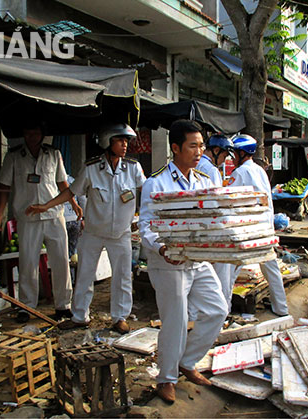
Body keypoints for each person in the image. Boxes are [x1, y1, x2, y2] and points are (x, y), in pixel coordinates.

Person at [139, 120, 227, 403]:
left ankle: (187, 362)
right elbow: (146, 226)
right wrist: (163, 249)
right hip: (168, 263)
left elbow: (213, 219)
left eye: (202, 145)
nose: (199, 151)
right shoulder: (156, 182)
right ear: (175, 148)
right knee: (175, 322)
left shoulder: (203, 181)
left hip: (198, 260)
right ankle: (166, 378)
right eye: (193, 145)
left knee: (217, 309)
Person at [27, 123, 145, 334]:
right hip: (93, 232)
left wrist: (146, 216)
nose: (125, 145)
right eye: (120, 140)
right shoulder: (91, 168)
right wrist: (46, 205)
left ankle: (120, 318)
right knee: (85, 274)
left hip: (121, 233)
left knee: (123, 276)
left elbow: (147, 191)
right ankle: (80, 316)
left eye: (126, 141)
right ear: (107, 142)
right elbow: (71, 192)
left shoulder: (133, 168)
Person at [0, 120, 79, 323]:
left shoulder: (53, 154)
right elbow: (4, 187)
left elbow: (62, 183)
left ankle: (63, 305)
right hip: (27, 217)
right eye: (28, 132)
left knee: (61, 261)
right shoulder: (14, 156)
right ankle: (27, 306)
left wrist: (74, 204)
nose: (31, 136)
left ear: (42, 134)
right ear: (23, 133)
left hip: (54, 215)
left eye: (35, 132)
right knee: (28, 262)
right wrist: (0, 213)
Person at [226, 134, 289, 316]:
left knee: (229, 270)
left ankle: (224, 311)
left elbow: (231, 202)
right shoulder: (259, 170)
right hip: (265, 228)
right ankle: (281, 308)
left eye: (234, 153)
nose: (232, 157)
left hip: (248, 230)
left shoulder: (239, 173)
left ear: (242, 153)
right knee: (271, 269)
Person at [196, 134, 235, 309]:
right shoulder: (211, 170)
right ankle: (222, 309)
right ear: (216, 151)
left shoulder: (195, 165)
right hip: (213, 227)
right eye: (225, 155)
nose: (225, 160)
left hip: (197, 226)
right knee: (222, 271)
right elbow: (217, 201)